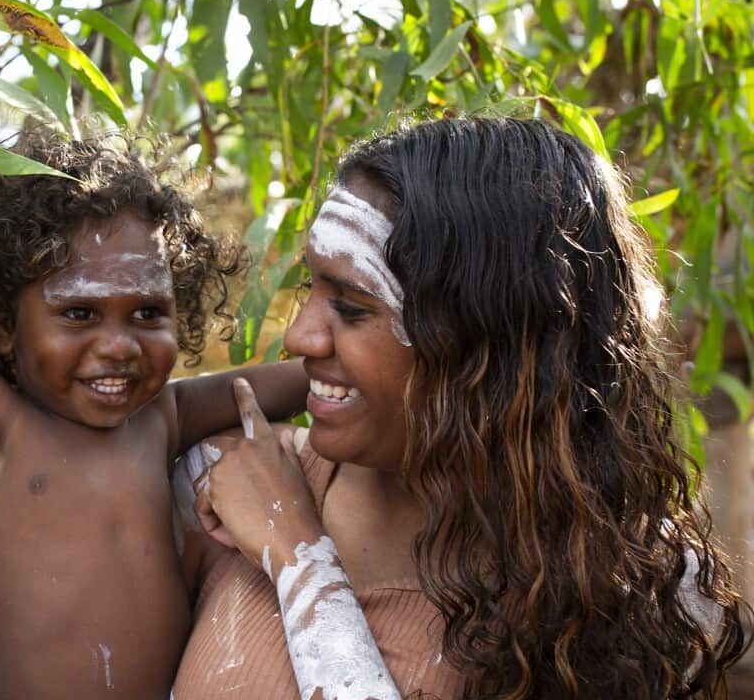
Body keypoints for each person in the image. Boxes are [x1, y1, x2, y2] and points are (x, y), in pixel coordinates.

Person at [0, 12, 309, 700]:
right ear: (5, 325)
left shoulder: (161, 417)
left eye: (148, 313)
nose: (119, 345)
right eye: (78, 313)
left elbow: (312, 373)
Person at [173, 117, 748, 699]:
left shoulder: (641, 590)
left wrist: (299, 556)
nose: (299, 338)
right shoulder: (223, 487)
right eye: (309, 290)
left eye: (351, 308)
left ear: (488, 344)